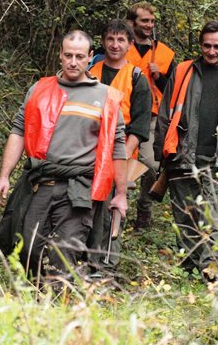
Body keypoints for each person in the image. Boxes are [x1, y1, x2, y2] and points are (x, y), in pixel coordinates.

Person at [0, 30, 128, 284]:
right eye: (68, 55)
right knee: (28, 249)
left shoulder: (106, 96)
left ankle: (61, 306)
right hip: (40, 182)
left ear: (90, 57)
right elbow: (19, 131)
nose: (73, 62)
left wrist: (120, 194)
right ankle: (34, 304)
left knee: (63, 253)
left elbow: (117, 146)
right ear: (60, 55)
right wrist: (4, 176)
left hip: (79, 188)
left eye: (79, 56)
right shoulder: (40, 89)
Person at [153, 20, 218, 281]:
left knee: (215, 217)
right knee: (185, 217)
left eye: (217, 47)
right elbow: (165, 115)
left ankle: (211, 269)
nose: (211, 52)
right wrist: (162, 156)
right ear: (200, 45)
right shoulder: (181, 72)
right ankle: (190, 269)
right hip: (182, 158)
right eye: (207, 46)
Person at [87, 19, 152, 270]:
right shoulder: (89, 72)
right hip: (88, 153)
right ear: (103, 42)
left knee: (113, 213)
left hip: (120, 155)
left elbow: (140, 126)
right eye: (110, 39)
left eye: (121, 40)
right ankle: (82, 260)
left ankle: (106, 266)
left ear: (130, 45)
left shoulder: (137, 78)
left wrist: (120, 158)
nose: (115, 45)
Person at [125, 2, 176, 229]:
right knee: (120, 161)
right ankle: (118, 208)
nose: (149, 25)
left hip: (152, 117)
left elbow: (174, 92)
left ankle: (144, 210)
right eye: (144, 20)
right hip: (122, 114)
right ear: (131, 22)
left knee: (150, 165)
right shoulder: (120, 46)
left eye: (152, 21)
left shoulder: (164, 53)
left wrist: (160, 78)